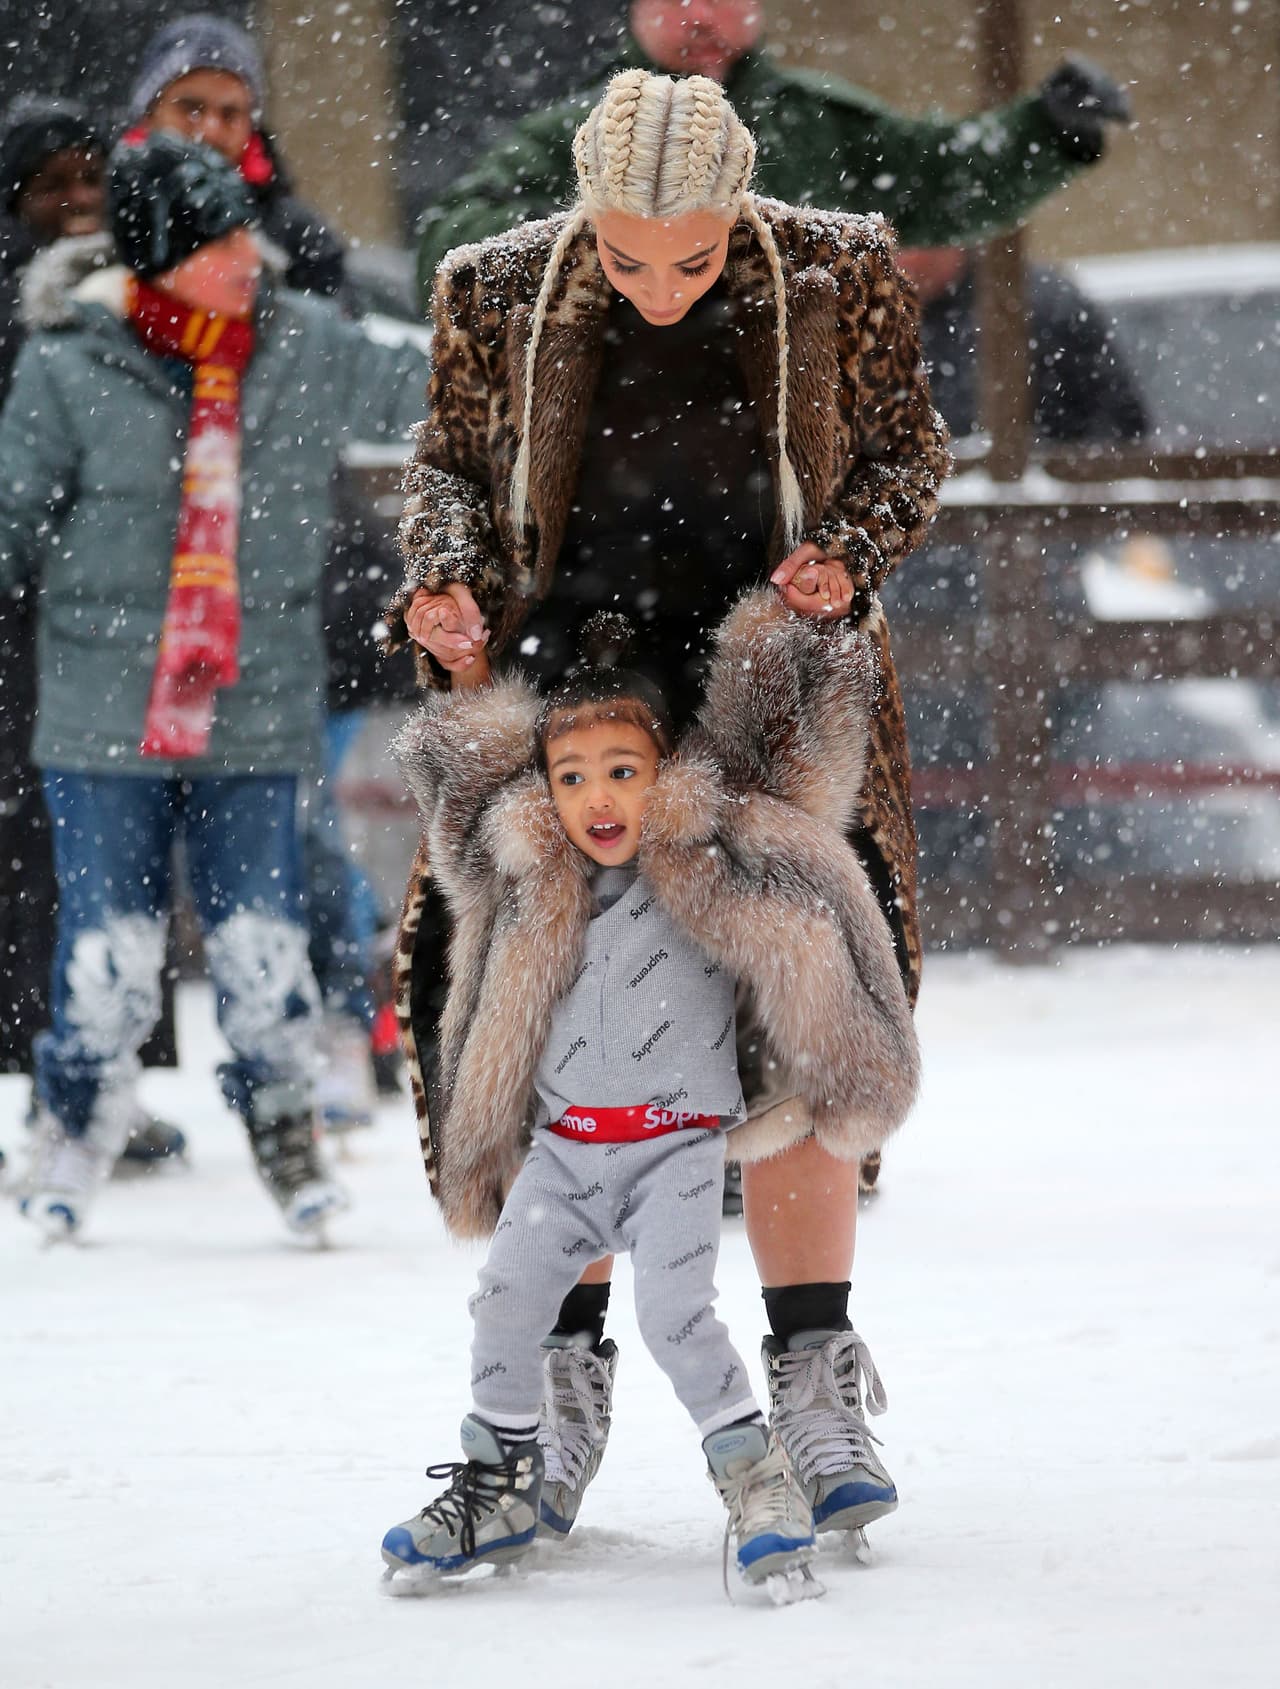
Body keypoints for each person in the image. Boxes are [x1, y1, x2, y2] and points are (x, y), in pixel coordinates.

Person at [385, 70, 948, 1545]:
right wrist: (444, 584)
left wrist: (846, 547)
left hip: (775, 699)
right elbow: (445, 470)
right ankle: (552, 1399)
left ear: (742, 202)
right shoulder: (498, 288)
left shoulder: (830, 269)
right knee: (536, 1021)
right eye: (626, 257)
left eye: (690, 258)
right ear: (581, 212)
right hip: (570, 705)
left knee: (807, 1000)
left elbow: (910, 452)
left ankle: (815, 1376)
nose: (655, 287)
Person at [381, 591, 918, 1585]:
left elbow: (790, 832)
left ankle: (758, 1467)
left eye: (624, 775)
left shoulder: (711, 862)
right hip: (567, 1151)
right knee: (502, 1302)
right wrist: (462, 666)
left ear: (662, 779)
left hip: (673, 1147)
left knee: (678, 1318)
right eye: (573, 778)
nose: (599, 799)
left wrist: (812, 606)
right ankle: (502, 1472)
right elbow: (469, 793)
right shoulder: (525, 869)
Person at [0, 132, 429, 1242]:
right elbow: (9, 522)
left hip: (257, 702)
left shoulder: (301, 344)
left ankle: (288, 1137)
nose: (251, 252)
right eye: (221, 237)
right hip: (105, 714)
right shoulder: (65, 363)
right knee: (109, 948)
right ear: (157, 255)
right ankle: (73, 1130)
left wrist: (536, 327)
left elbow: (434, 383)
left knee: (263, 943)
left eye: (246, 227)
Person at [126, 10, 400, 1122]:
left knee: (296, 824)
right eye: (188, 106)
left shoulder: (293, 239)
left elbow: (331, 390)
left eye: (230, 109)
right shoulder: (97, 228)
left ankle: (345, 1020)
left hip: (289, 569)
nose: (209, 127)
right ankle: (106, 1081)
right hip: (129, 584)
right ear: (146, 110)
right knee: (133, 854)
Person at [415, 0, 1132, 306]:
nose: (702, 17)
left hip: (790, 439)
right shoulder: (572, 135)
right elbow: (448, 250)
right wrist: (599, 242)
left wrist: (1044, 130)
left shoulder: (817, 123)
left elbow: (942, 177)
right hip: (618, 443)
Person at [0, 98, 107, 1107]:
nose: (76, 200)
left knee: (75, 860)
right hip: (23, 612)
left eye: (89, 176)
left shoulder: (118, 297)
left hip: (80, 620)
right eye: (50, 184)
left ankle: (71, 1079)